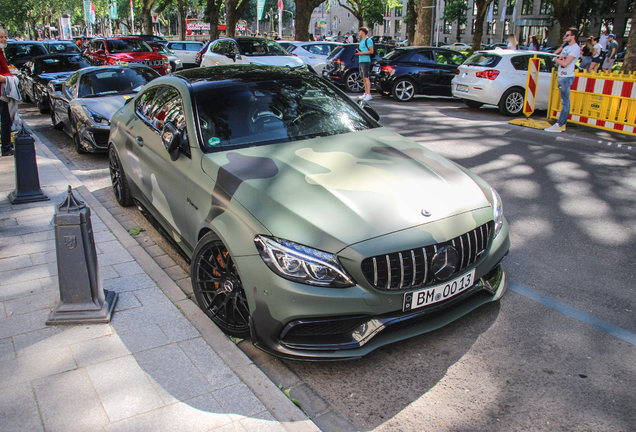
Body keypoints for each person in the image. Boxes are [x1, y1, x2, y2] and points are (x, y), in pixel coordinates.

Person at [545, 28, 581, 133]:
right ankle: (562, 124)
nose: (565, 36)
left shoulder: (575, 48)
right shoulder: (566, 48)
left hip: (567, 76)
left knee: (565, 101)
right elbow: (558, 64)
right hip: (561, 75)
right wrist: (559, 59)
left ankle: (560, 124)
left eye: (567, 35)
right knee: (564, 101)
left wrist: (557, 59)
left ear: (573, 36)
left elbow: (565, 63)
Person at [0, 28, 13, 156]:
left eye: (4, 36)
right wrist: (10, 79)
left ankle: (6, 145)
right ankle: (6, 147)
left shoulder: (1, 52)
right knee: (5, 119)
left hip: (3, 93)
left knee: (6, 119)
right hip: (1, 93)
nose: (4, 39)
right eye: (1, 37)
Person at [355, 26, 374, 101]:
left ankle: (369, 94)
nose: (359, 33)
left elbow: (371, 51)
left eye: (360, 31)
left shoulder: (368, 40)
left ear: (363, 32)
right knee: (363, 77)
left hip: (366, 61)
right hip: (361, 60)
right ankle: (366, 93)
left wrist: (361, 53)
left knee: (366, 77)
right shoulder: (362, 41)